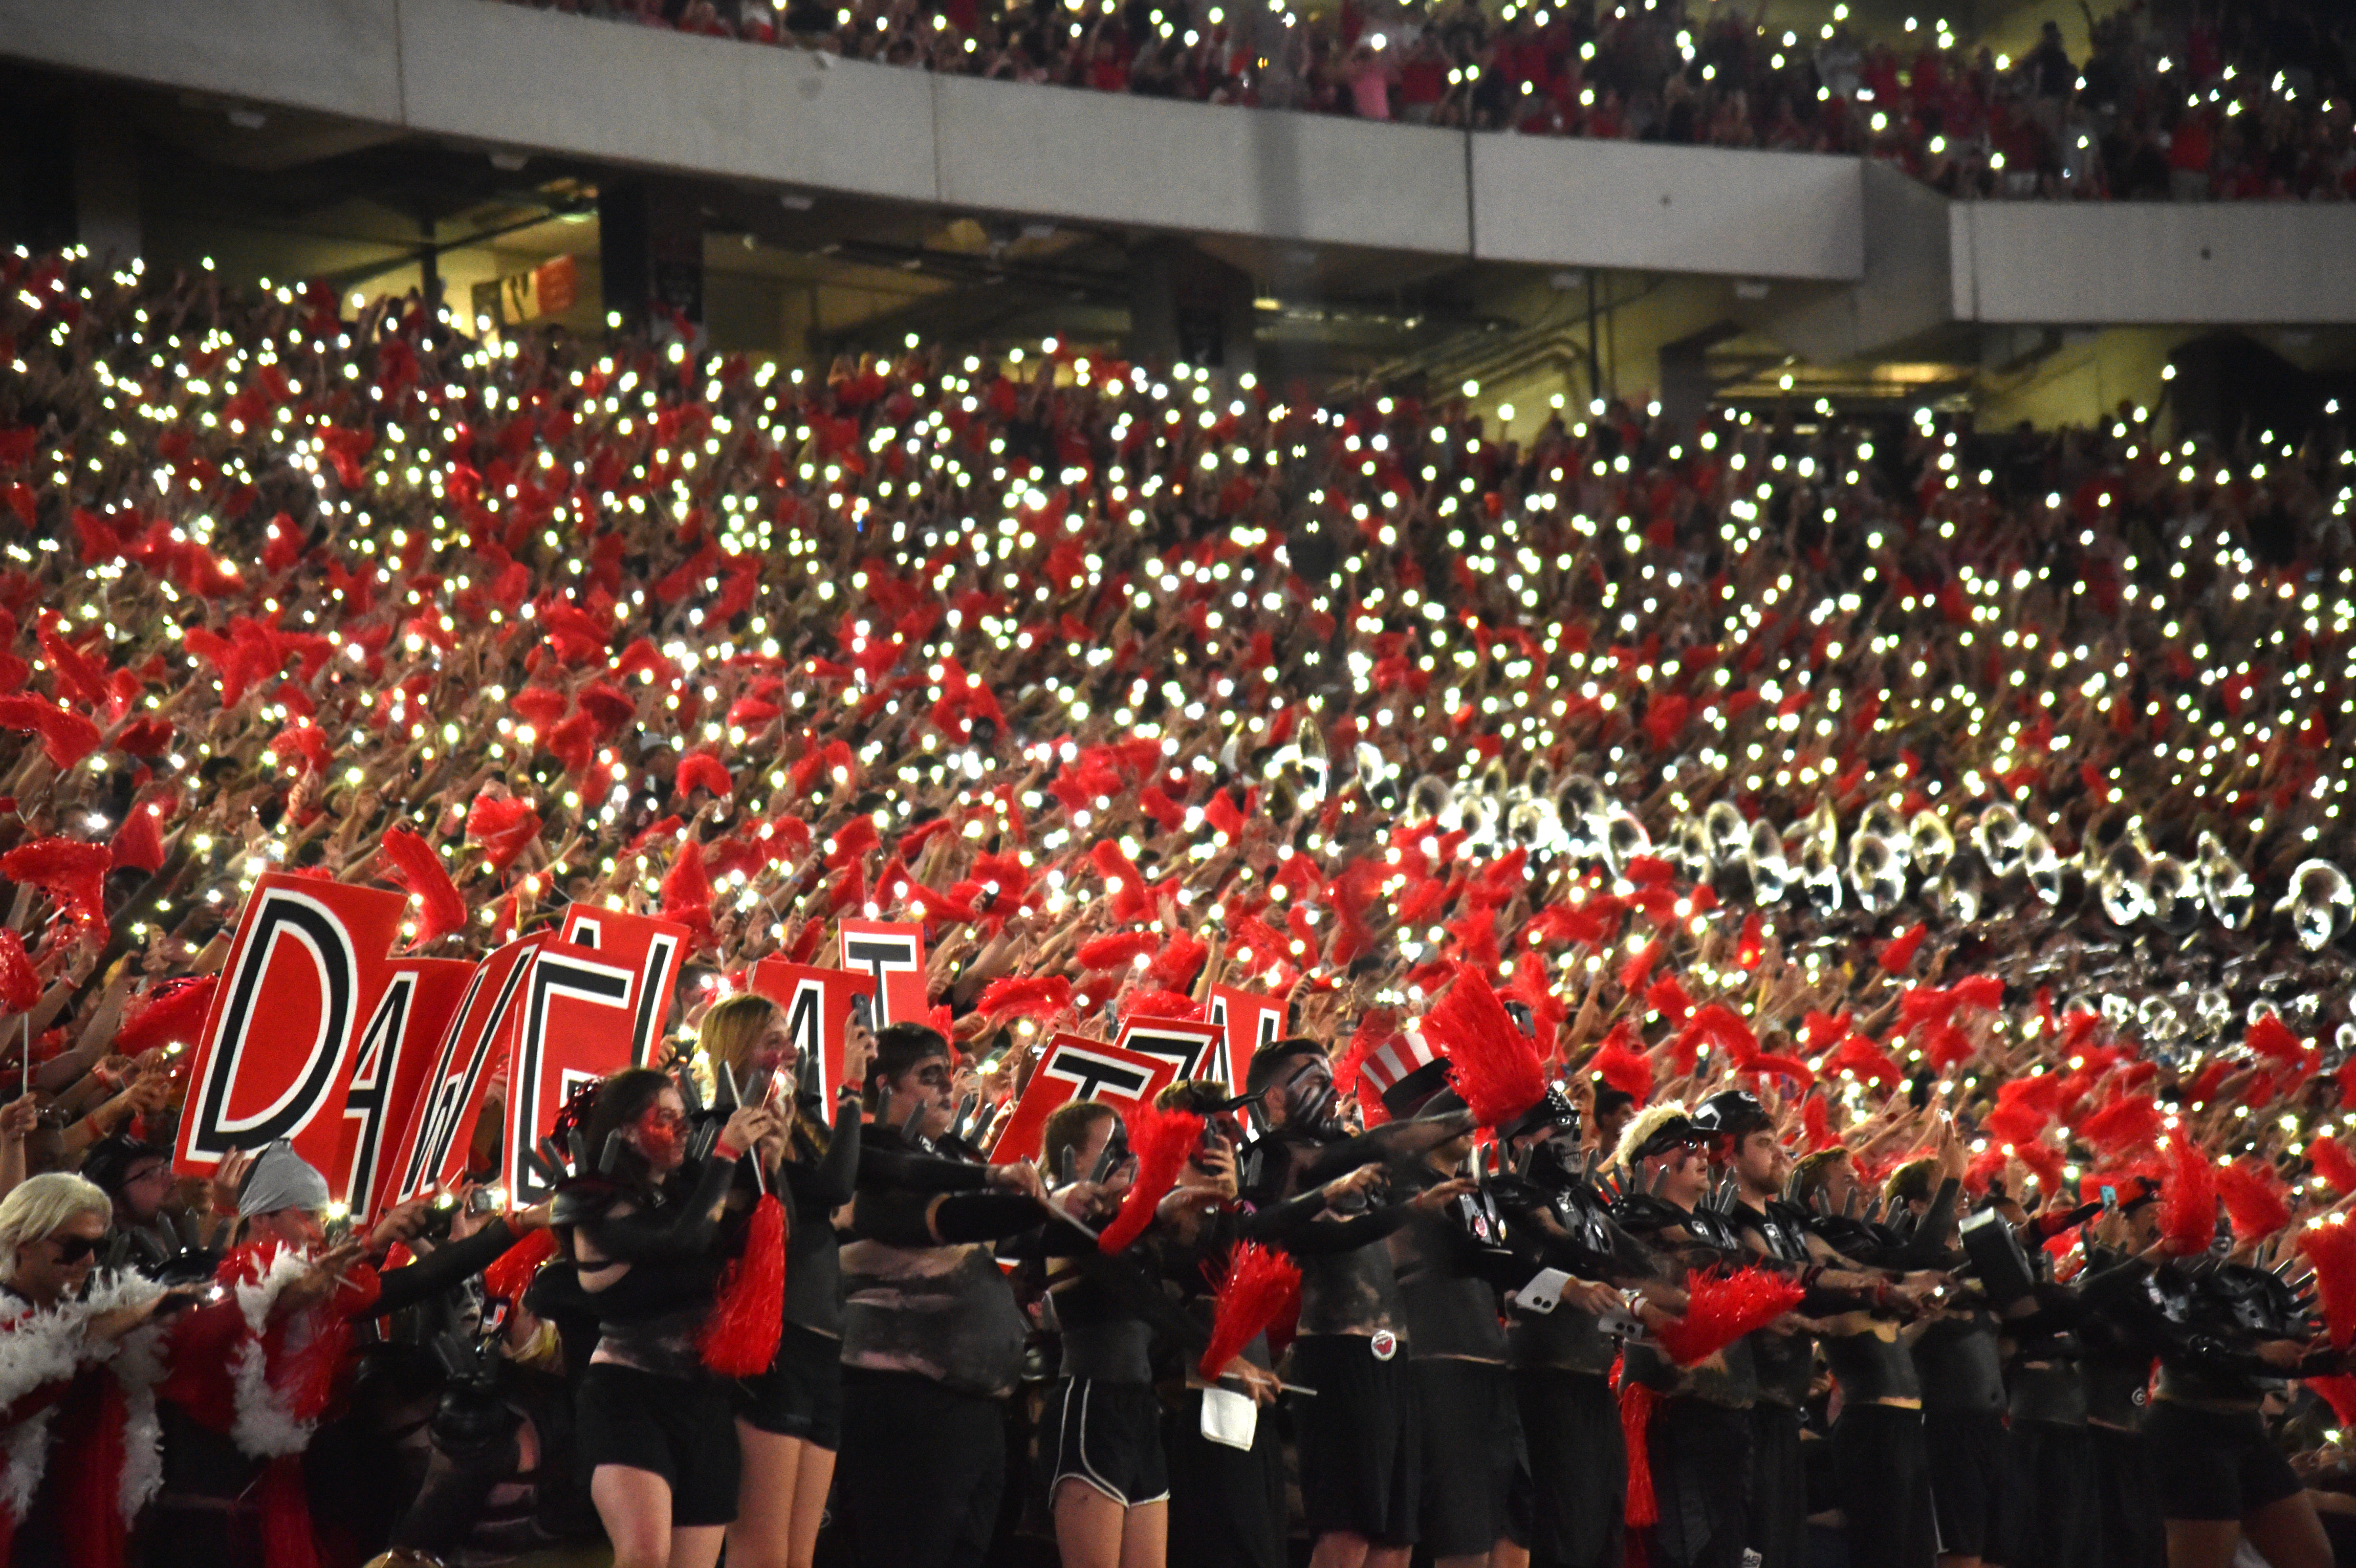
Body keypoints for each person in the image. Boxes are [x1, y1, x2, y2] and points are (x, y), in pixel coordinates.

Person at [833, 1020, 1073, 1568]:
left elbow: (1031, 1237)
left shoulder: (954, 1156)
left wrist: (1129, 1210)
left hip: (975, 1413)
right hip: (903, 1408)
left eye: (949, 1074)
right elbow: (931, 1219)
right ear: (885, 1086)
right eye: (929, 1076)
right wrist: (1017, 1193)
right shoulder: (860, 1153)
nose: (948, 1088)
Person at [553, 1067, 778, 1568]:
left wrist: (773, 1165)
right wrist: (725, 1155)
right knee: (645, 1557)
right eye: (666, 1118)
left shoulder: (687, 1193)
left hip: (704, 1399)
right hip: (629, 1398)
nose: (682, 1130)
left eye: (685, 1118)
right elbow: (680, 1238)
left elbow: (767, 1239)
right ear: (626, 1129)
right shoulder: (591, 1200)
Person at [695, 991, 873, 1568]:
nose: (788, 1050)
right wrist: (770, 1164)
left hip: (822, 1343)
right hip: (775, 1345)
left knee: (801, 1552)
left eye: (786, 1037)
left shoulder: (793, 1123)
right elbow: (794, 1220)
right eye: (771, 1040)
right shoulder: (728, 1131)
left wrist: (850, 1090)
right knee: (763, 1550)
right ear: (738, 1050)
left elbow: (839, 1185)